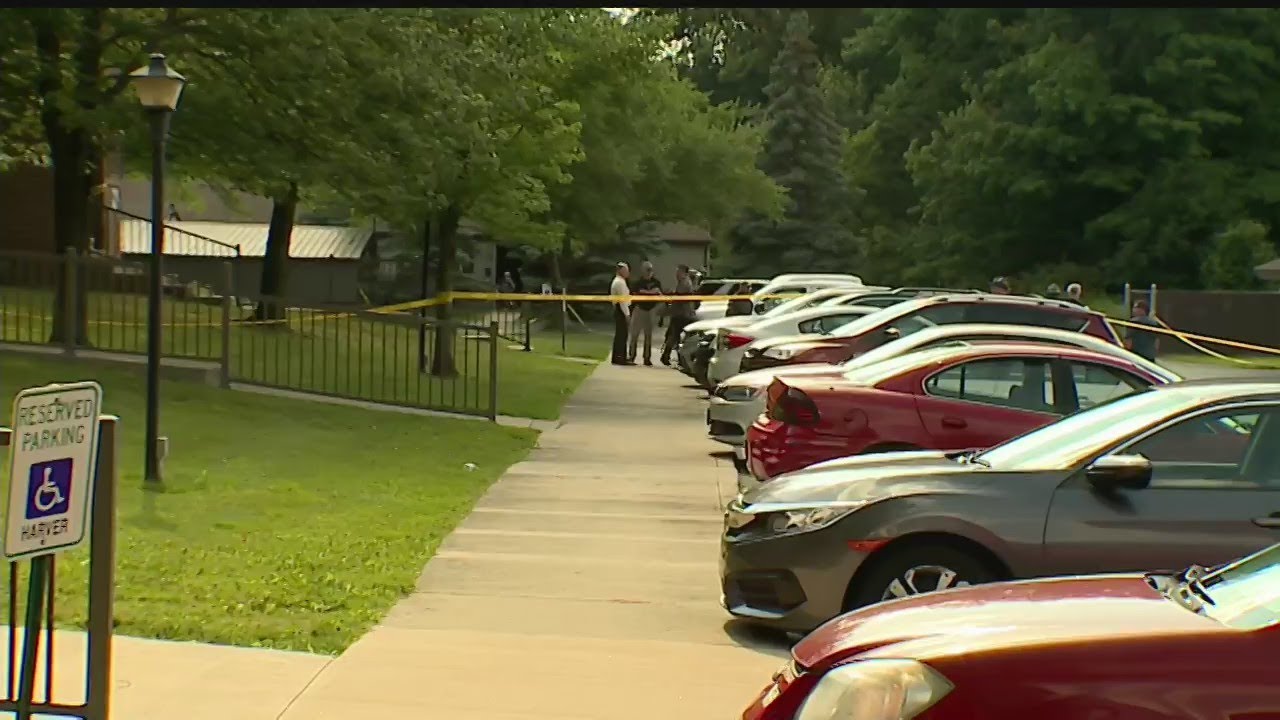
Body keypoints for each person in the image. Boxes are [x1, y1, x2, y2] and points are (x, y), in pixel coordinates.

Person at [628, 261, 663, 365]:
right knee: (634, 334)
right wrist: (651, 292)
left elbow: (660, 295)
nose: (649, 272)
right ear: (642, 270)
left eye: (650, 269)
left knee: (648, 335)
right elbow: (634, 294)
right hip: (639, 309)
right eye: (646, 269)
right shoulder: (638, 282)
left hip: (651, 309)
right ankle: (631, 356)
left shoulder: (656, 282)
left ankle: (647, 358)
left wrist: (648, 292)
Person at [661, 264, 696, 366]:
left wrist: (671, 294)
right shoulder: (682, 282)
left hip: (682, 314)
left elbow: (679, 297)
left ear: (684, 273)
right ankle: (668, 357)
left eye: (679, 272)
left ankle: (671, 357)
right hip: (679, 313)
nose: (676, 274)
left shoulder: (685, 283)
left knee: (676, 336)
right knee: (674, 336)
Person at [610, 262, 633, 366]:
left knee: (621, 334)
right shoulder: (620, 282)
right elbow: (622, 301)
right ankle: (620, 357)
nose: (627, 272)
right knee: (621, 335)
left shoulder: (621, 281)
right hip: (621, 310)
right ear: (620, 271)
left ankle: (618, 356)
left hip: (620, 309)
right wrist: (627, 314)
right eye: (625, 270)